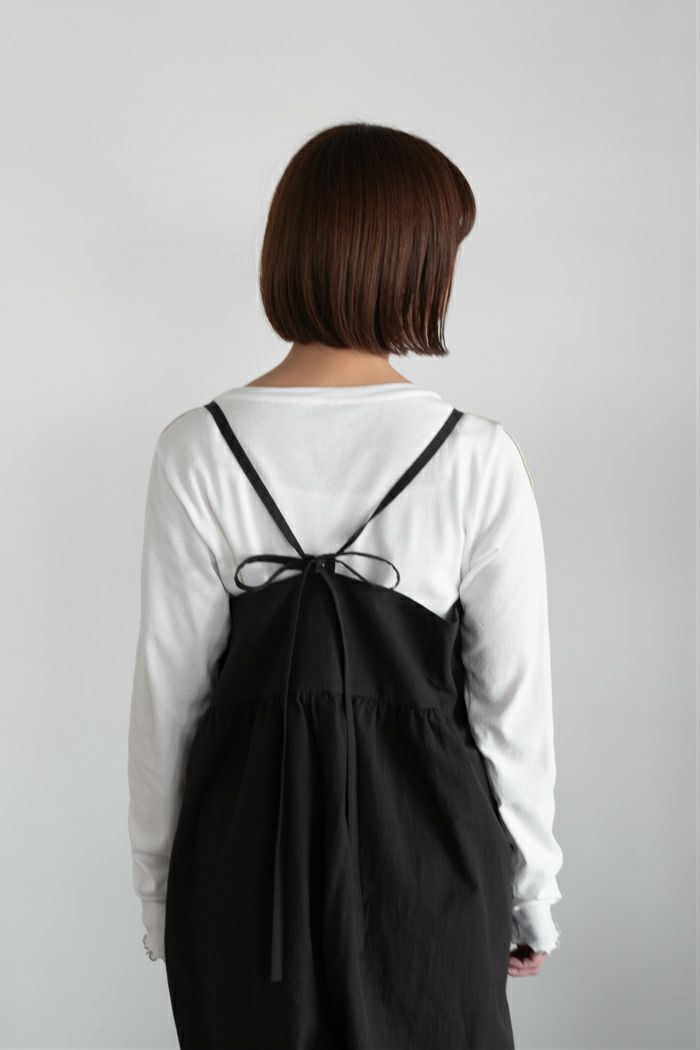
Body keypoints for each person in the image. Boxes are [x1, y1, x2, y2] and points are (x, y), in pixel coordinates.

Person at [127, 121, 563, 1048]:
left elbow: (170, 700)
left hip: (241, 872)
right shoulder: (475, 457)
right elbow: (511, 708)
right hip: (431, 867)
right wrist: (532, 892)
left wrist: (161, 888)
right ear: (416, 265)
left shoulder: (198, 449)